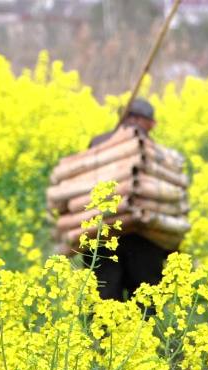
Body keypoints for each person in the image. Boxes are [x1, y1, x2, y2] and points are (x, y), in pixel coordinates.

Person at [85, 98, 173, 301]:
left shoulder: (97, 143)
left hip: (102, 233)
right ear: (148, 123)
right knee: (144, 307)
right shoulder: (157, 151)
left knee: (103, 306)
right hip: (145, 238)